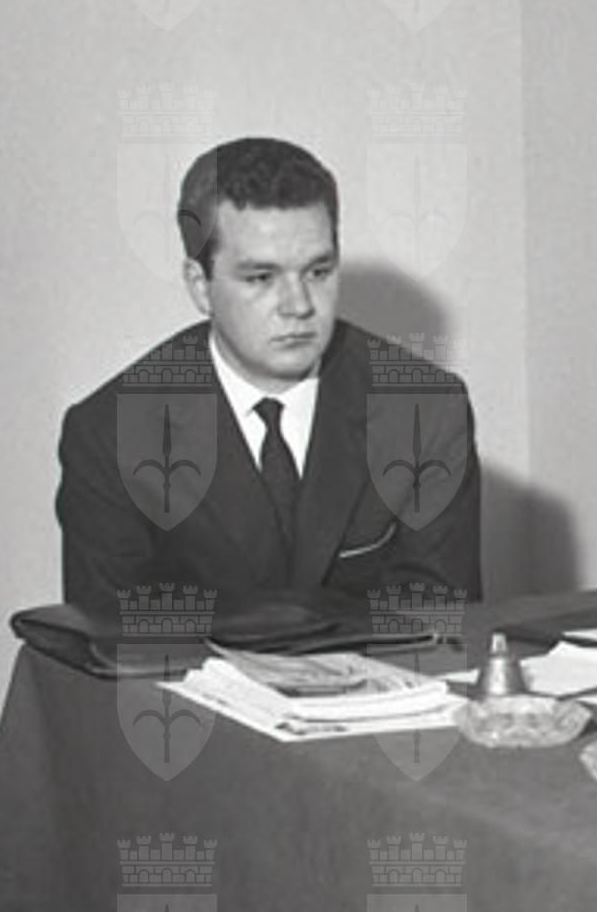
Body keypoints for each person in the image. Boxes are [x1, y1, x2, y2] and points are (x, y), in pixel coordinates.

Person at [57, 136, 481, 612]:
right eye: (261, 278)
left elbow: (441, 624)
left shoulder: (426, 410)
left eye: (318, 272)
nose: (298, 306)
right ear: (200, 286)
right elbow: (114, 638)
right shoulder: (110, 435)